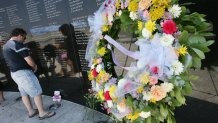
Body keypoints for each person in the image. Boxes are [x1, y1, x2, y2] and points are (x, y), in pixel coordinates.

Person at [2, 28, 55, 119]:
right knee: (36, 91)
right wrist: (35, 67)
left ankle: (31, 111)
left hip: (14, 73)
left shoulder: (6, 45)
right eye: (24, 37)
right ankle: (42, 113)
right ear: (20, 35)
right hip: (23, 73)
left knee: (24, 93)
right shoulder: (17, 44)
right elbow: (29, 60)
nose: (24, 40)